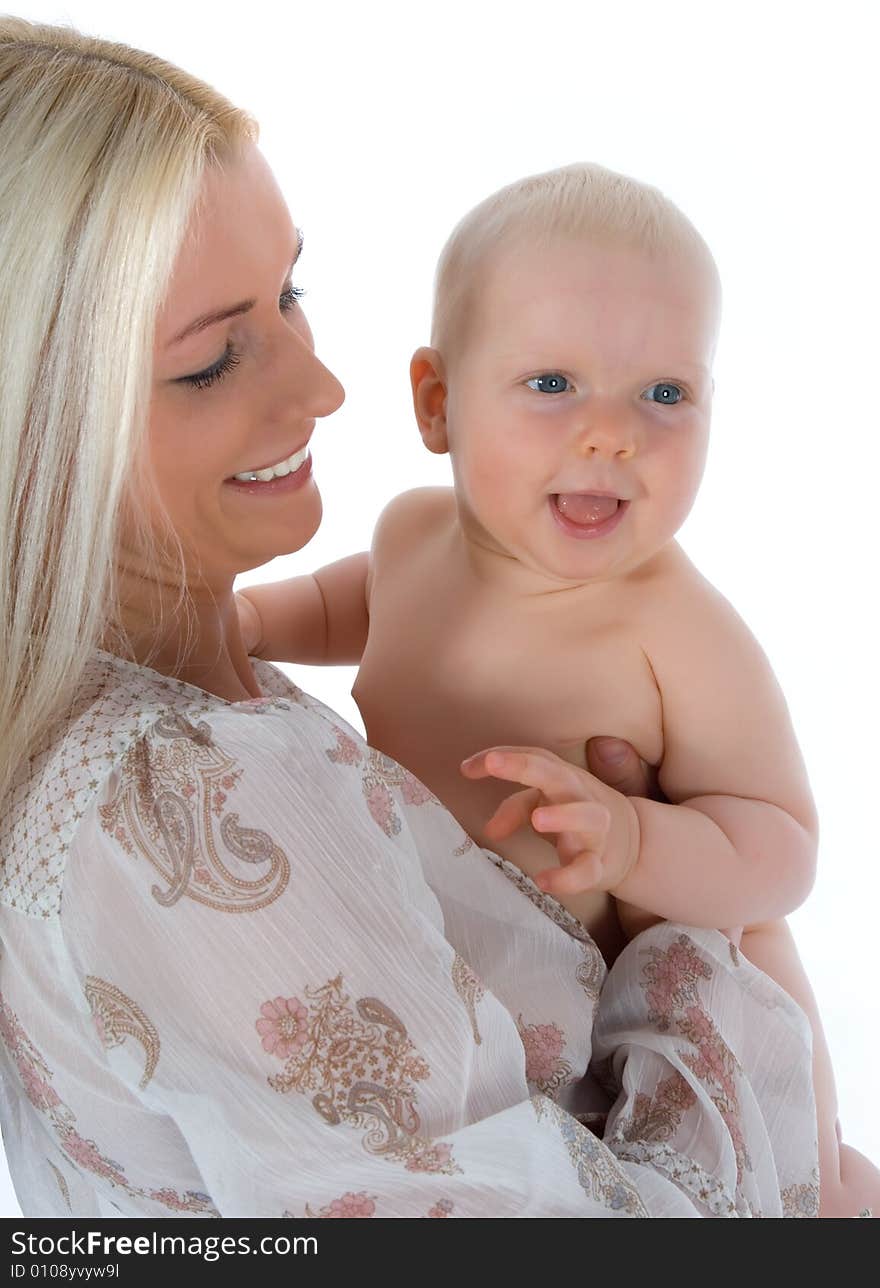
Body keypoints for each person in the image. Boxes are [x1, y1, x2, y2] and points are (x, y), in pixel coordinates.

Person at [0, 17, 819, 1219]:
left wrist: (665, 858)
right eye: (213, 360)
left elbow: (784, 845)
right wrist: (673, 929)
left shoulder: (162, 706)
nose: (323, 386)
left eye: (290, 292)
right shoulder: (177, 806)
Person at [235, 162, 878, 1218]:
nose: (610, 431)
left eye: (664, 394)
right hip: (482, 991)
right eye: (552, 384)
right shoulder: (410, 531)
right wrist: (260, 622)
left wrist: (634, 841)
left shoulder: (675, 629)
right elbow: (351, 602)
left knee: (799, 1181)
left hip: (651, 986)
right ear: (437, 403)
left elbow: (780, 845)